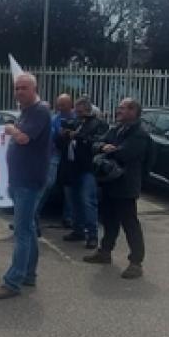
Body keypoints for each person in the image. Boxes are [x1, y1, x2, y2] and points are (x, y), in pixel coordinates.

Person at [0, 74, 52, 300]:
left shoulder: (40, 111)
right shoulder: (26, 112)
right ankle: (28, 274)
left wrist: (11, 130)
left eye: (24, 88)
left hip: (29, 181)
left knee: (22, 231)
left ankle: (12, 282)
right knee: (28, 229)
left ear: (34, 89)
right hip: (19, 180)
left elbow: (24, 138)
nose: (19, 92)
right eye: (16, 88)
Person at [84, 97, 151, 279]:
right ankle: (105, 252)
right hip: (110, 182)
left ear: (133, 111)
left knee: (130, 224)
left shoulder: (139, 133)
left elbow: (125, 153)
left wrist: (109, 149)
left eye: (122, 108)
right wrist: (104, 146)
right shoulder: (116, 128)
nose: (118, 111)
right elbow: (97, 144)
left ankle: (136, 262)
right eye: (119, 108)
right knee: (109, 220)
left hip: (126, 184)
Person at [61, 97, 108, 249]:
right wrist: (64, 135)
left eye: (80, 111)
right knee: (74, 201)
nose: (78, 114)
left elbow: (96, 143)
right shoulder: (76, 123)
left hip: (87, 168)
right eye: (76, 111)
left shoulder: (98, 124)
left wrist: (78, 136)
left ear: (88, 110)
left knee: (88, 201)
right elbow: (63, 141)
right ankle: (78, 230)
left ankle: (92, 235)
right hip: (72, 167)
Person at [37, 93, 75, 227]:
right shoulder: (54, 119)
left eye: (63, 104)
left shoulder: (77, 118)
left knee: (69, 188)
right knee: (48, 183)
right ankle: (34, 214)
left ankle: (69, 217)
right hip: (56, 155)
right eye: (58, 104)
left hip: (72, 157)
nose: (60, 107)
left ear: (70, 104)